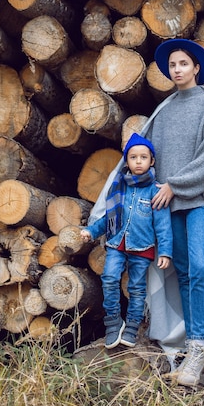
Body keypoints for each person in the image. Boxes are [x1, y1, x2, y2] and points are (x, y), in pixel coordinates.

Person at [88, 38, 204, 386]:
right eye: (172, 65)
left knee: (203, 268)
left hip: (198, 202)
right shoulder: (165, 109)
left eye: (183, 64)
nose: (176, 70)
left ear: (196, 68)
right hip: (165, 207)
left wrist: (175, 184)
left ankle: (199, 348)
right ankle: (192, 349)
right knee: (185, 273)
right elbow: (144, 158)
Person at [81, 133, 172, 349]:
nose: (138, 161)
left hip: (142, 247)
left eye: (143, 157)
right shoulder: (120, 187)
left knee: (137, 288)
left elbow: (163, 224)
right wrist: (92, 231)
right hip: (116, 245)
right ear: (127, 161)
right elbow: (108, 218)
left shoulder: (155, 191)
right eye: (133, 157)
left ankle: (132, 326)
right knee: (110, 278)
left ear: (152, 161)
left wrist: (166, 251)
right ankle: (113, 322)